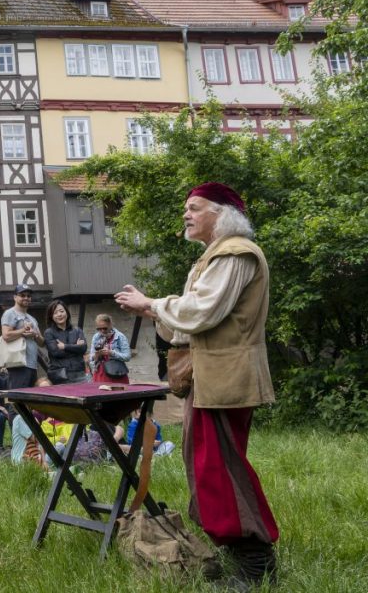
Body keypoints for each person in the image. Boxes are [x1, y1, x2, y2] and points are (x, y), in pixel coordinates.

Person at [115, 181, 279, 587]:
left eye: (195, 207)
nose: (186, 214)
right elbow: (187, 325)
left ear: (221, 214)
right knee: (208, 466)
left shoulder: (235, 252)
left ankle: (255, 565)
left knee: (221, 469)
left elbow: (201, 312)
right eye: (186, 208)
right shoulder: (212, 258)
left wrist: (152, 304)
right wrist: (157, 311)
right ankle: (242, 556)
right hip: (211, 376)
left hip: (227, 375)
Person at [0, 284, 45, 391]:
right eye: (22, 295)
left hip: (32, 365)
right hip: (18, 365)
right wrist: (23, 331)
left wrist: (35, 334)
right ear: (15, 297)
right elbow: (6, 335)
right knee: (19, 399)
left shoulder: (32, 319)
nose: (26, 298)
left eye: (28, 296)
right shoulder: (10, 313)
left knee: (29, 399)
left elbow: (42, 342)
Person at [44, 299, 88, 385]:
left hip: (79, 373)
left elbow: (83, 348)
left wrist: (65, 346)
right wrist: (75, 347)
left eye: (61, 311)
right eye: (55, 313)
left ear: (67, 312)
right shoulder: (49, 332)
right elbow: (56, 352)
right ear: (51, 316)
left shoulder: (77, 330)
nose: (59, 314)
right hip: (60, 374)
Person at [89, 314, 132, 384]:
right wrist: (97, 355)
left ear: (110, 324)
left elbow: (127, 356)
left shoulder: (120, 337)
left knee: (118, 394)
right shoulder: (96, 337)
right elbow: (91, 357)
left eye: (105, 328)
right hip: (100, 373)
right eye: (99, 329)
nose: (102, 331)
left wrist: (111, 353)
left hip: (116, 372)